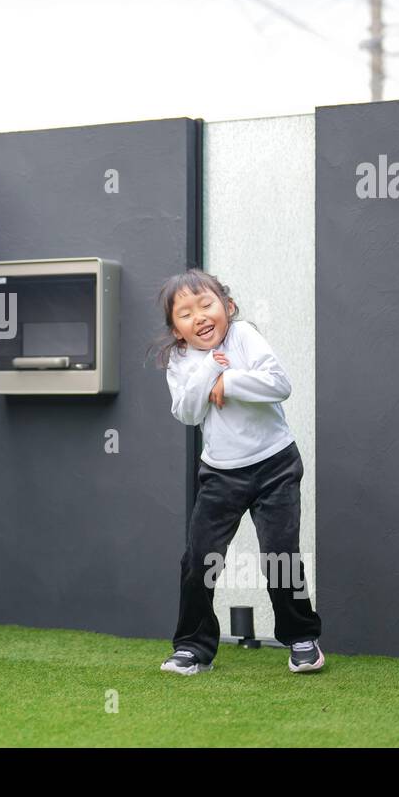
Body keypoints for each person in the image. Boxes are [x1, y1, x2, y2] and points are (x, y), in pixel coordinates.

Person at [149, 268, 324, 675]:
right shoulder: (179, 360)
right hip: (221, 474)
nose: (200, 317)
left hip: (275, 464)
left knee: (280, 555)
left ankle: (302, 638)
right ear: (176, 330)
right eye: (186, 313)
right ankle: (192, 648)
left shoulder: (243, 335)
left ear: (227, 306)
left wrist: (228, 381)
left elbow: (279, 384)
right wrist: (210, 369)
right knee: (198, 559)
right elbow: (188, 412)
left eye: (207, 304)